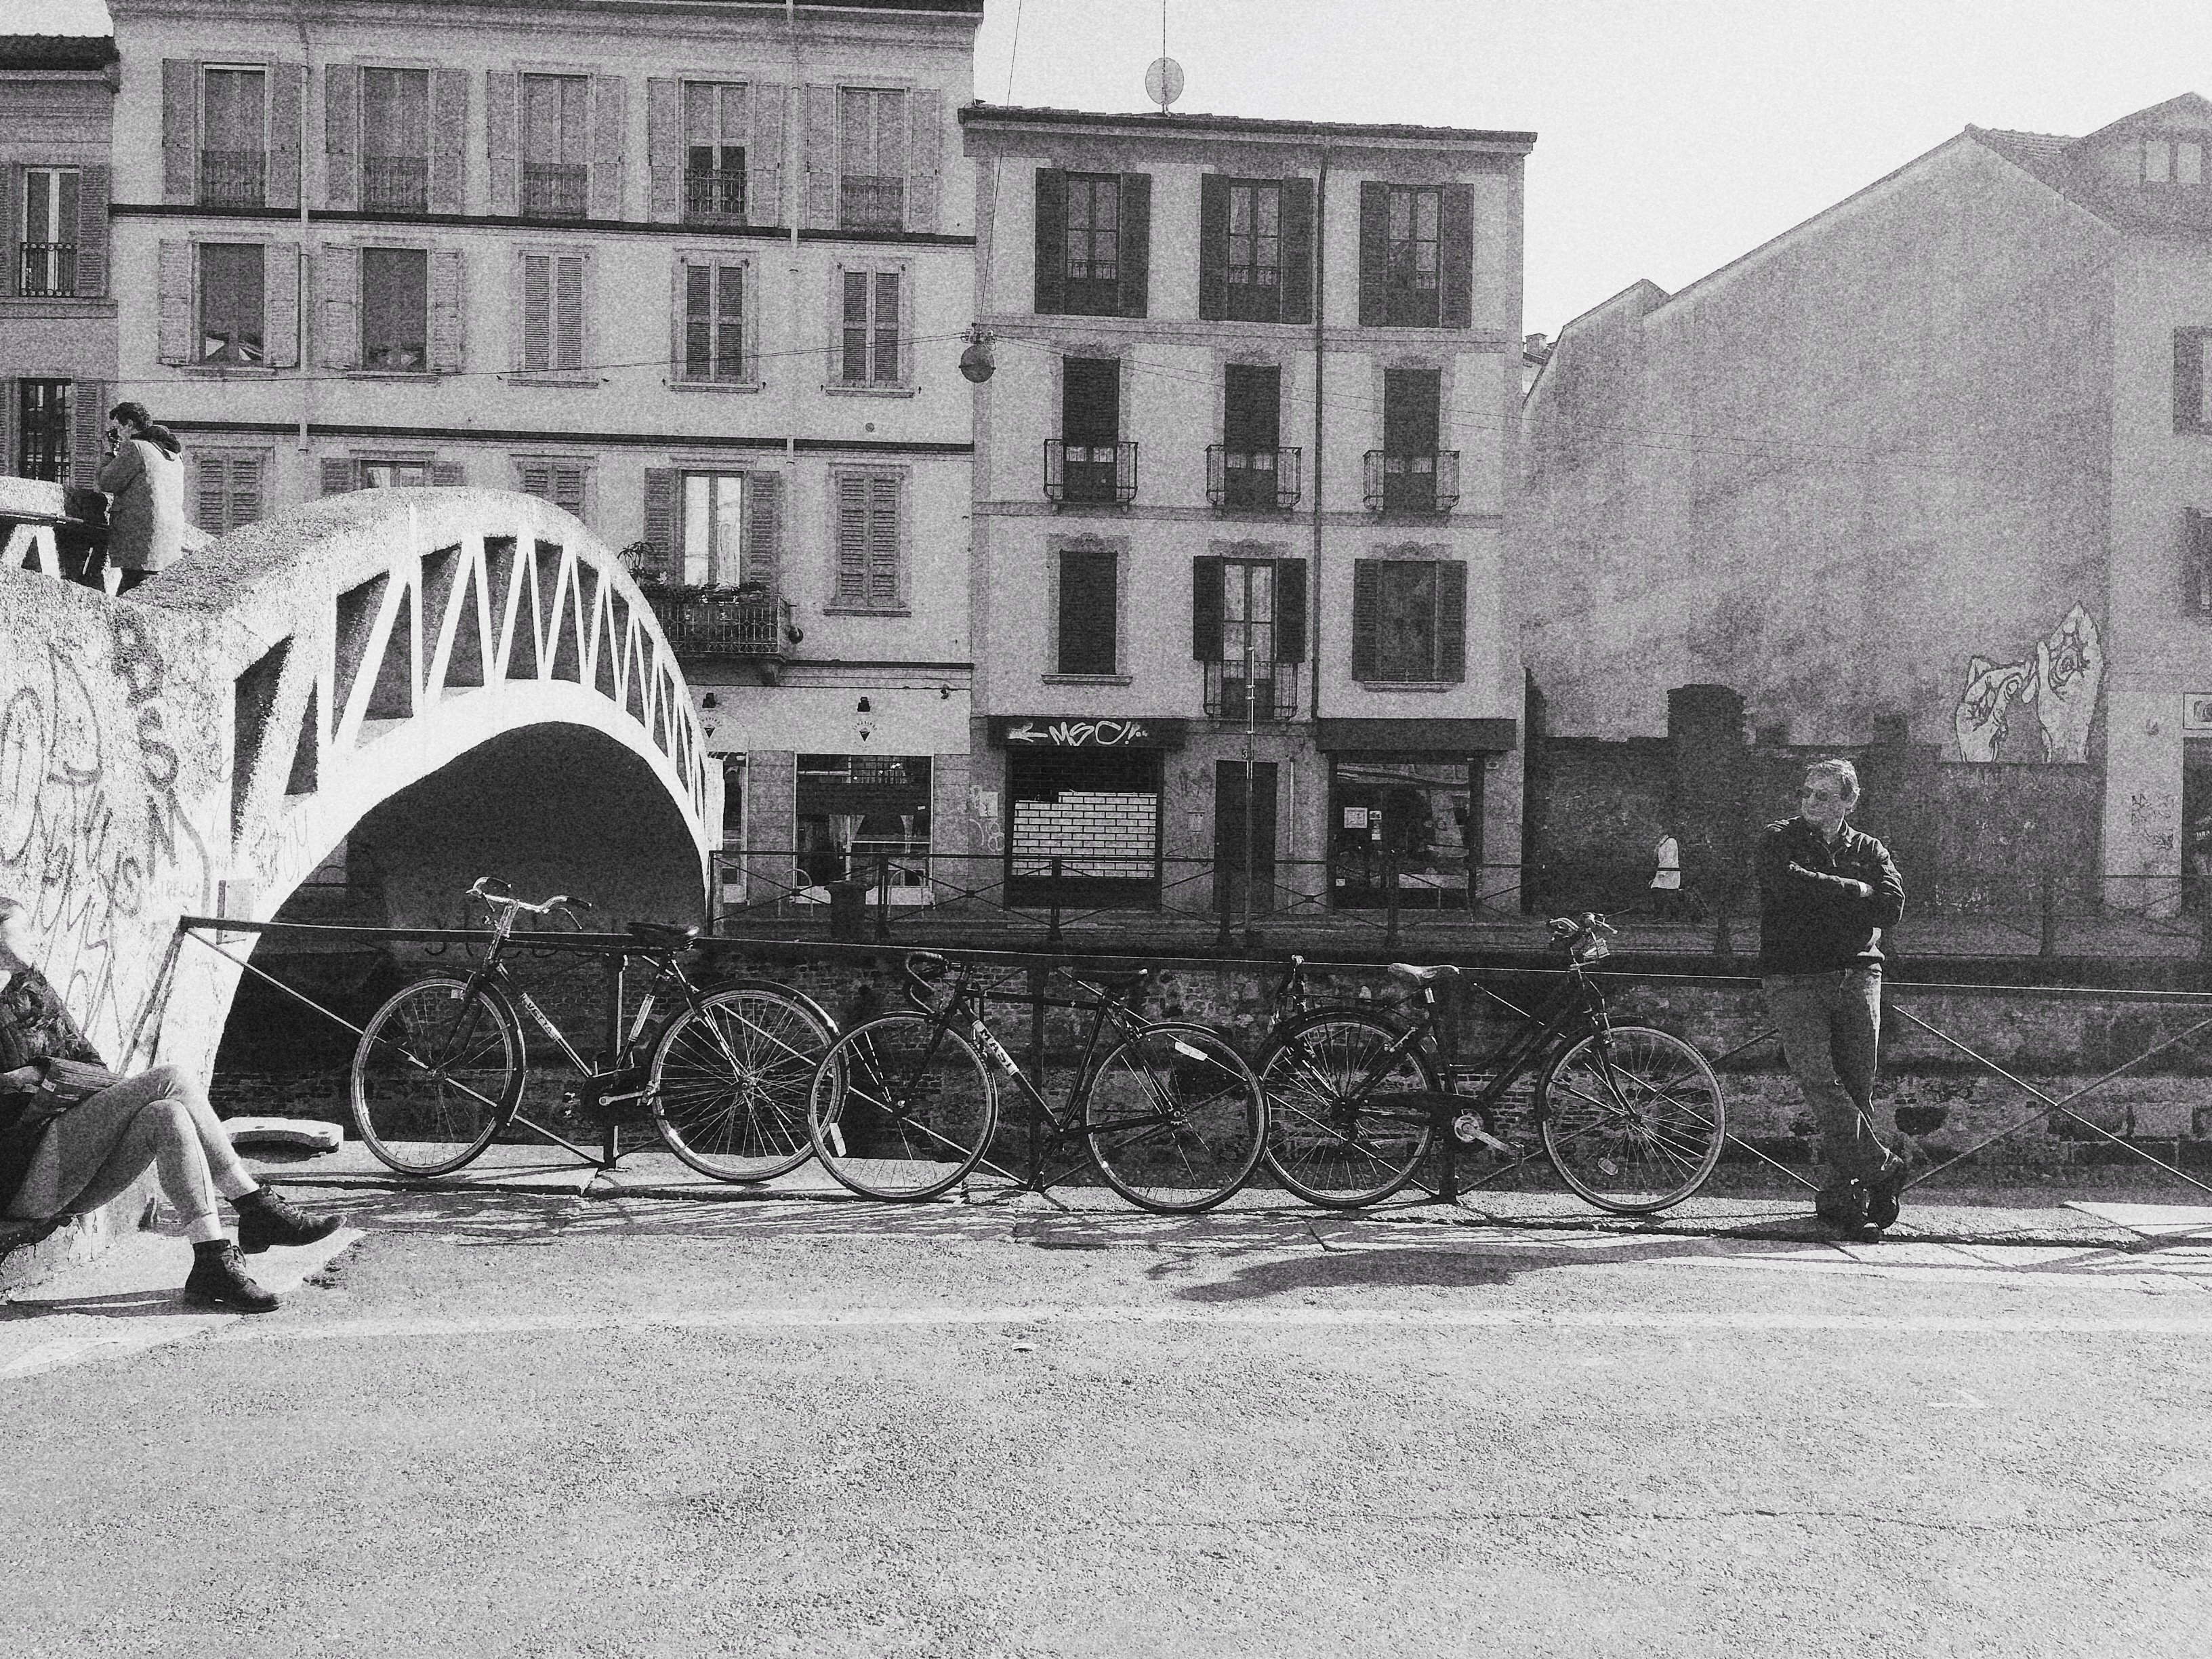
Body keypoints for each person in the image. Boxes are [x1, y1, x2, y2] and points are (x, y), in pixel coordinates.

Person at [0, 895, 345, 1311]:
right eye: (24, 928)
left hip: (73, 1165)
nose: (37, 937)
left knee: (167, 1114)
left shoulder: (30, 989)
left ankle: (212, 1258)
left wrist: (48, 1075)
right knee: (172, 1078)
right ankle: (256, 1207)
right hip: (20, 1177)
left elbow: (91, 1063)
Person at [1757, 759, 1909, 1233]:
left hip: (1859, 976)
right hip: (1795, 977)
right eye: (1805, 792)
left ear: (1849, 801)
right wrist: (1858, 891)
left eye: (1822, 795)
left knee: (1858, 1087)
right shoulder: (1779, 838)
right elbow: (1786, 885)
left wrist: (1831, 893)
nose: (1809, 802)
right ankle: (1883, 1167)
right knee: (1819, 1079)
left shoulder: (1869, 848)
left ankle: (1847, 1200)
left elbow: (1892, 907)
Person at [95, 401, 186, 594]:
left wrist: (109, 452)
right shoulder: (171, 452)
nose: (117, 434)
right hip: (167, 539)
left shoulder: (136, 447)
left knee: (131, 593)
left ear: (129, 424)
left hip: (139, 537)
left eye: (117, 428)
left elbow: (107, 482)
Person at [1650, 825, 1683, 920]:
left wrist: (1662, 873)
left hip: (1670, 872)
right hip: (1663, 869)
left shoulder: (1671, 841)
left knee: (1670, 893)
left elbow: (1669, 858)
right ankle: (1659, 915)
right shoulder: (1662, 842)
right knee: (1658, 892)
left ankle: (1674, 916)